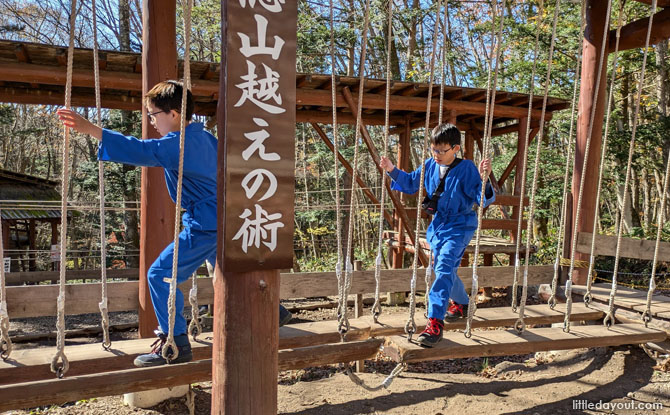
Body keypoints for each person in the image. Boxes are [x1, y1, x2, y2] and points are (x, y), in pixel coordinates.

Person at [57, 80, 292, 367]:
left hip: (206, 223)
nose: (152, 122)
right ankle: (274, 311)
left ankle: (175, 342)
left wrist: (91, 129)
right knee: (227, 269)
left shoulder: (178, 145)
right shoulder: (207, 139)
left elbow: (141, 151)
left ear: (174, 114)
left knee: (158, 275)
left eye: (153, 114)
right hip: (230, 218)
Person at [379, 123, 495, 347]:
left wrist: (486, 178)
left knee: (442, 269)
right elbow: (411, 183)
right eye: (434, 150)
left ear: (456, 149)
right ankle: (462, 303)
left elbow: (482, 199)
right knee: (440, 269)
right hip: (438, 226)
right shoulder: (430, 165)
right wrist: (392, 169)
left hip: (460, 225)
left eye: (443, 150)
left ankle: (434, 323)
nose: (437, 155)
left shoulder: (468, 168)